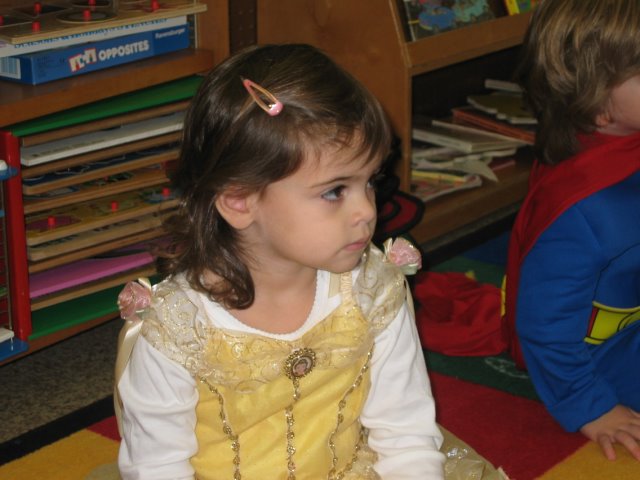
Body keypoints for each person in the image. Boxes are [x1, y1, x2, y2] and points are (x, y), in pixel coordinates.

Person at [114, 44, 445, 479]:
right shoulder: (179, 327)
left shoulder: (372, 290)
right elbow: (157, 467)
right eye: (335, 191)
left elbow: (406, 431)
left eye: (370, 181)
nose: (367, 210)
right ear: (239, 200)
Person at [503, 0, 640, 463]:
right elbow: (544, 325)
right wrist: (591, 406)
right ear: (599, 106)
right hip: (600, 353)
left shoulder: (626, 140)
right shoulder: (581, 209)